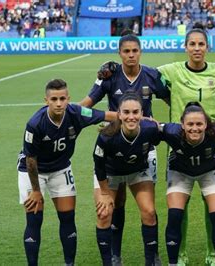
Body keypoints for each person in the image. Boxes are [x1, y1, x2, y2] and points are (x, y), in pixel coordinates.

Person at [80, 32, 169, 265]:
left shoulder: (152, 75)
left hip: (143, 146)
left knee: (148, 210)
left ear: (140, 52)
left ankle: (153, 257)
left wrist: (159, 124)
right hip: (113, 147)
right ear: (120, 53)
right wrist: (111, 118)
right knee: (113, 205)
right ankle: (114, 256)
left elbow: (173, 99)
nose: (131, 55)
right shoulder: (109, 75)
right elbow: (85, 106)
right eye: (126, 51)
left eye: (134, 50)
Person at [157, 25, 215, 265]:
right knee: (179, 208)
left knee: (212, 206)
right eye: (193, 44)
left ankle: (213, 255)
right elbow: (142, 75)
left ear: (207, 47)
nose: (197, 48)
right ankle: (180, 256)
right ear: (186, 47)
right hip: (179, 145)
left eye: (201, 44)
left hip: (212, 146)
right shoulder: (172, 70)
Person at [17, 79, 115, 266]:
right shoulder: (35, 124)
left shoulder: (76, 113)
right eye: (54, 99)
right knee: (34, 218)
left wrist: (127, 123)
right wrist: (36, 191)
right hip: (33, 171)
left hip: (61, 168)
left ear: (68, 99)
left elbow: (111, 116)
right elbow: (30, 160)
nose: (59, 103)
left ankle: (69, 264)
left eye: (63, 98)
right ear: (46, 100)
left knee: (68, 216)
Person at [93, 92, 161, 266]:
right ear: (119, 114)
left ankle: (150, 261)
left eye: (135, 112)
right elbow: (99, 166)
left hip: (137, 172)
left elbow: (169, 134)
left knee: (149, 212)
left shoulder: (150, 129)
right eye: (127, 112)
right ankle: (109, 261)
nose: (131, 117)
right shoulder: (106, 136)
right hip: (109, 174)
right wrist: (106, 193)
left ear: (142, 113)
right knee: (104, 213)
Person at [160, 103, 215, 265]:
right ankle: (173, 262)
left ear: (206, 124)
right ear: (182, 124)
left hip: (210, 171)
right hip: (180, 171)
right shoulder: (171, 131)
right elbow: (150, 125)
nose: (195, 128)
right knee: (175, 216)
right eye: (190, 124)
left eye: (199, 124)